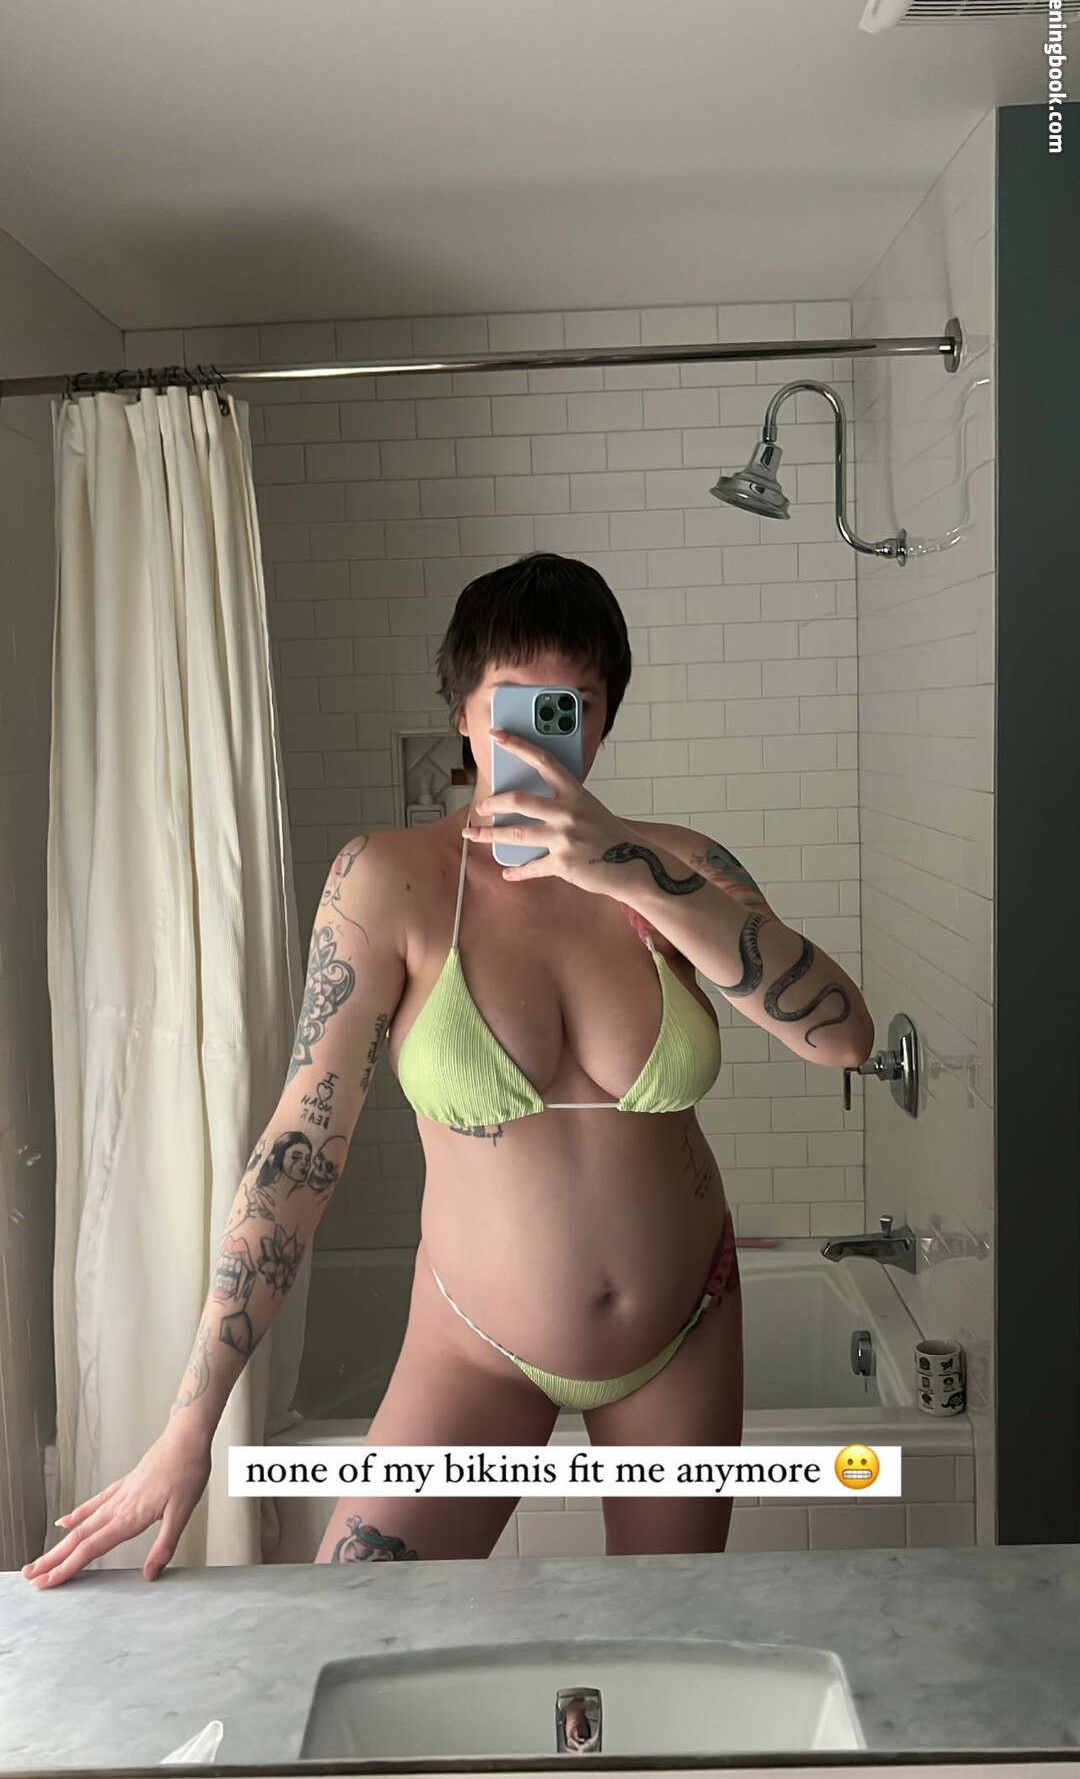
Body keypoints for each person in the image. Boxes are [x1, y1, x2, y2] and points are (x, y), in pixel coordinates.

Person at [23, 552, 874, 1587]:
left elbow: (844, 1038)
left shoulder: (681, 864)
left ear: (606, 718)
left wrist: (630, 872)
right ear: (463, 715)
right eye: (514, 707)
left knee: (662, 1645)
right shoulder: (389, 880)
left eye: (573, 706)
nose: (543, 737)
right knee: (356, 1622)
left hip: (684, 1331)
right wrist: (188, 1425)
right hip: (475, 1346)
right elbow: (299, 1152)